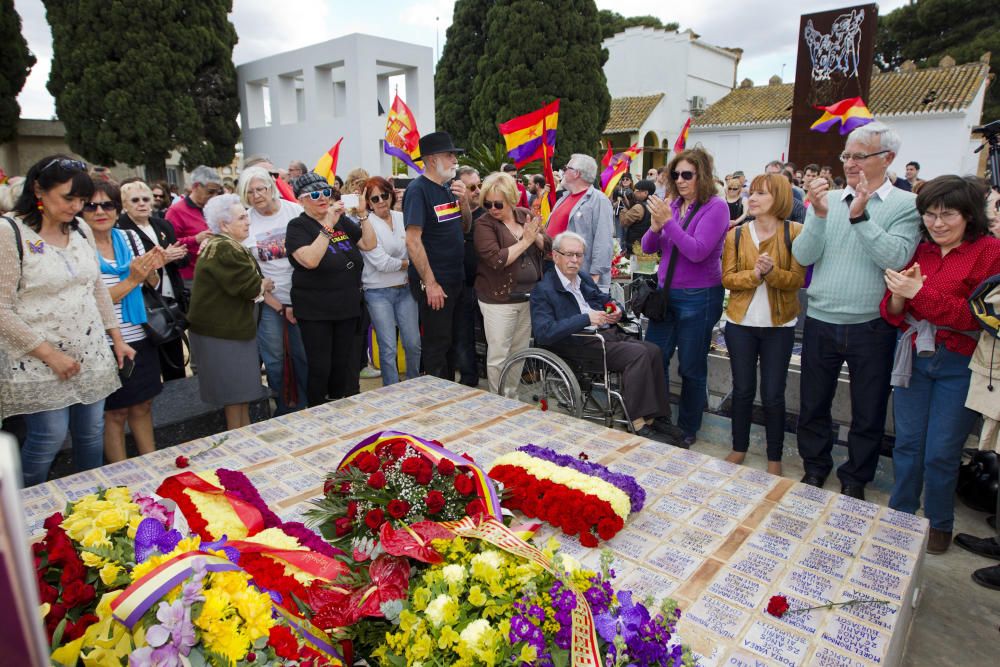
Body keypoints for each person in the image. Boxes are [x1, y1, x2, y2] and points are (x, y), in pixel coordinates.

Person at [792, 121, 921, 499]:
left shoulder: (906, 205)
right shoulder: (827, 201)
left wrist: (861, 216)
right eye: (846, 155)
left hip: (872, 324)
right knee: (813, 403)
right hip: (820, 318)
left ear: (888, 158)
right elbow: (803, 256)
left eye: (859, 156)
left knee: (868, 409)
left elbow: (895, 257)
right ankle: (814, 468)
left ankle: (855, 478)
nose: (850, 163)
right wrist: (816, 215)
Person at [880, 175, 1000, 552]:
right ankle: (900, 513)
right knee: (908, 444)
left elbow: (975, 317)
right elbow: (893, 310)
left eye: (947, 215)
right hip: (915, 354)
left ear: (969, 215)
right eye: (930, 214)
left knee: (942, 452)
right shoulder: (924, 250)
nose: (937, 223)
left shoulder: (989, 251)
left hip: (960, 361)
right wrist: (900, 296)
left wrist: (918, 293)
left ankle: (939, 523)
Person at [0, 156, 134, 486]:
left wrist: (116, 338)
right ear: (38, 190)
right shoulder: (10, 231)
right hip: (38, 358)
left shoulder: (80, 229)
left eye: (80, 200)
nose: (75, 207)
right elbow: (2, 309)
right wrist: (50, 355)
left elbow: (96, 288)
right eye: (67, 198)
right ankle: (27, 510)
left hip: (90, 352)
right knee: (48, 438)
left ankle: (91, 503)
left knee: (91, 433)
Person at [531, 232, 671, 440]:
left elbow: (604, 299)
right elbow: (544, 333)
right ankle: (638, 422)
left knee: (653, 350)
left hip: (604, 335)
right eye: (569, 254)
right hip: (577, 344)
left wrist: (616, 310)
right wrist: (586, 319)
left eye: (579, 255)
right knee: (638, 355)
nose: (574, 260)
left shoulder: (583, 278)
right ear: (555, 256)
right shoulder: (544, 289)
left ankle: (656, 417)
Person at [641, 147, 729, 447]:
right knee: (655, 357)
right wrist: (655, 227)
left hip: (699, 297)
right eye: (675, 174)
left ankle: (688, 427)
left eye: (687, 175)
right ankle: (661, 419)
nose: (680, 180)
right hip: (666, 296)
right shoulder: (672, 204)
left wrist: (668, 223)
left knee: (691, 366)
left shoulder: (715, 208)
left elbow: (696, 250)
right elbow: (649, 246)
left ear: (701, 175)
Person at [721, 174, 806, 476]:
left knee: (773, 394)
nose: (752, 199)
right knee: (742, 389)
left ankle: (774, 456)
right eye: (751, 193)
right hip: (740, 324)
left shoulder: (796, 232)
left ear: (780, 198)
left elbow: (797, 280)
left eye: (761, 194)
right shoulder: (737, 234)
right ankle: (739, 447)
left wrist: (771, 273)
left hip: (779, 327)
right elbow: (728, 278)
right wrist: (755, 275)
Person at [84, 179, 165, 463]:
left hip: (139, 334)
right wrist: (133, 278)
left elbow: (150, 284)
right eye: (91, 205)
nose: (99, 211)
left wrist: (151, 270)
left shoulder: (129, 238)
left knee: (143, 405)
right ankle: (120, 477)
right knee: (114, 413)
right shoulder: (78, 247)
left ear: (117, 209)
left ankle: (152, 465)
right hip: (103, 342)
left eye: (107, 204)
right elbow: (94, 302)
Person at [287, 173, 375, 405]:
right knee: (320, 367)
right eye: (315, 194)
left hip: (346, 306)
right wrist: (327, 227)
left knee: (342, 364)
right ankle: (317, 410)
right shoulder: (298, 226)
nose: (323, 198)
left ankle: (337, 406)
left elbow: (369, 244)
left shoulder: (340, 220)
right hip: (317, 311)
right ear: (301, 200)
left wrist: (363, 214)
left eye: (326, 192)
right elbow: (310, 260)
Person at [187, 194, 271, 430]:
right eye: (242, 217)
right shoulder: (225, 249)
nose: (248, 221)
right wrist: (265, 284)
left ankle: (243, 437)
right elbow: (250, 288)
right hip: (224, 335)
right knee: (235, 395)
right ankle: (239, 445)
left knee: (240, 395)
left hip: (229, 332)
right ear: (224, 225)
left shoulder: (222, 244)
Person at [237, 166, 308, 414]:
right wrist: (277, 306)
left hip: (301, 297)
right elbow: (247, 271)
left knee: (303, 355)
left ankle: (306, 405)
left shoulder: (295, 212)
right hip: (269, 302)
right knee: (274, 358)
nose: (256, 195)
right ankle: (283, 406)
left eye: (260, 189)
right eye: (250, 191)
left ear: (271, 188)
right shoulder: (245, 221)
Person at [404, 132, 472, 381]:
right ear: (431, 160)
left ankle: (449, 400)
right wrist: (430, 283)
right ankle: (436, 404)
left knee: (453, 345)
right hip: (435, 283)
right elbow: (413, 240)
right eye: (449, 155)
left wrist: (463, 202)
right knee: (436, 348)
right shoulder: (417, 191)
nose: (455, 160)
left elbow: (465, 227)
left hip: (456, 279)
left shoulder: (448, 188)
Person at [474, 172, 550, 394]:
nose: (493, 208)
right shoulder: (484, 224)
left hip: (527, 297)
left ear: (510, 199)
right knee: (499, 354)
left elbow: (548, 246)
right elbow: (497, 259)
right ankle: (498, 400)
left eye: (498, 203)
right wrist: (526, 241)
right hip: (498, 299)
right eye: (487, 204)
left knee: (519, 352)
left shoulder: (524, 215)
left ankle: (511, 394)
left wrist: (534, 237)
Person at [118, 180, 189, 380]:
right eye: (135, 200)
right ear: (124, 204)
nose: (142, 204)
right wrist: (161, 259)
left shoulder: (162, 224)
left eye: (145, 199)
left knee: (175, 364)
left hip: (170, 300)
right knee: (148, 365)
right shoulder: (121, 231)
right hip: (143, 304)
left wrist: (177, 256)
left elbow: (182, 259)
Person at [360, 176, 421, 386]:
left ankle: (413, 384)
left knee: (413, 343)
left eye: (384, 195)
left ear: (391, 194)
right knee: (387, 348)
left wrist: (407, 261)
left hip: (405, 288)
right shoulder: (366, 224)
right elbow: (381, 263)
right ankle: (392, 391)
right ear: (367, 202)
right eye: (374, 198)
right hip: (377, 292)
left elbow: (416, 247)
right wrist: (410, 263)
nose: (380, 201)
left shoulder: (402, 217)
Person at [546, 154, 615, 290]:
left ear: (576, 173)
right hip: (554, 271)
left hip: (579, 276)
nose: (563, 171)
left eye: (567, 168)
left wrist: (594, 276)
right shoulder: (563, 198)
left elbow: (604, 240)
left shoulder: (599, 200)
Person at [165, 165, 223, 286]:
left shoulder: (214, 208)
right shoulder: (176, 211)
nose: (214, 196)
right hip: (191, 278)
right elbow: (169, 244)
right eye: (210, 192)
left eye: (217, 192)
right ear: (196, 186)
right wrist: (195, 239)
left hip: (216, 274)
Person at [455, 165, 484, 386]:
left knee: (492, 336)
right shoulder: (451, 215)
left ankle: (495, 378)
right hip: (462, 285)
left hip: (487, 285)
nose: (477, 190)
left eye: (479, 185)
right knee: (464, 336)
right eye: (472, 187)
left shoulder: (490, 213)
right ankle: (468, 379)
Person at [619, 179, 656, 256]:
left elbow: (623, 222)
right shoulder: (654, 204)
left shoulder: (639, 207)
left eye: (637, 190)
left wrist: (625, 208)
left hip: (635, 248)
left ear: (645, 193)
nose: (634, 192)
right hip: (648, 245)